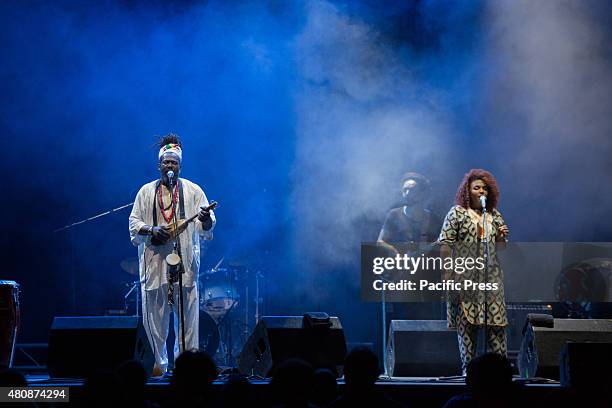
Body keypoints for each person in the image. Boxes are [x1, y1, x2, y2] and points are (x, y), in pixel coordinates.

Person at [129, 133, 215, 376]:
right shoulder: (146, 192)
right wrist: (152, 229)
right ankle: (156, 369)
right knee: (154, 325)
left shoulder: (194, 191)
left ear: (180, 165)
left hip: (184, 268)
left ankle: (187, 371)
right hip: (155, 267)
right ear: (159, 165)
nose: (169, 166)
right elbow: (134, 223)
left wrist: (206, 219)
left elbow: (206, 227)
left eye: (174, 162)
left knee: (188, 324)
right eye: (166, 162)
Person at [437, 169, 509, 374]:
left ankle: (499, 371)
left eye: (485, 188)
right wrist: (447, 274)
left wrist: (502, 237)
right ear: (467, 191)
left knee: (497, 324)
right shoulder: (457, 212)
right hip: (465, 275)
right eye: (476, 187)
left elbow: (501, 248)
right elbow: (445, 244)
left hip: (491, 276)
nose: (481, 191)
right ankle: (469, 371)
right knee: (467, 325)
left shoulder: (494, 215)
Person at [377, 172, 442, 317]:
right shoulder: (394, 215)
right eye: (404, 190)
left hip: (425, 279)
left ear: (423, 193)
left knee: (426, 319)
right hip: (400, 278)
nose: (406, 193)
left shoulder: (432, 219)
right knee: (402, 319)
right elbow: (380, 242)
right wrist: (395, 253)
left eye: (411, 190)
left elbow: (442, 247)